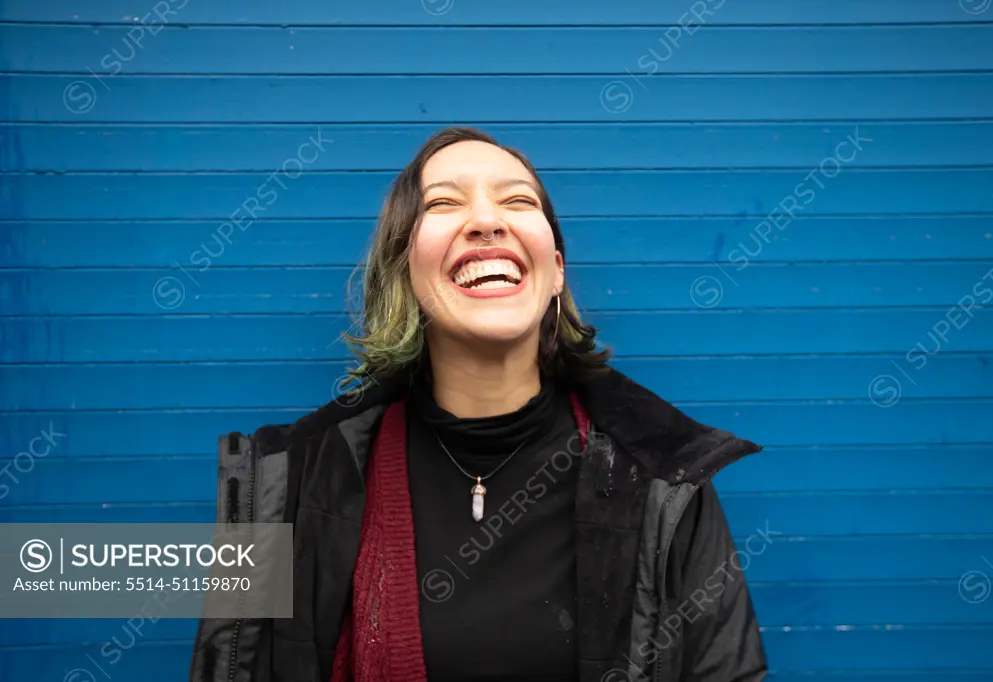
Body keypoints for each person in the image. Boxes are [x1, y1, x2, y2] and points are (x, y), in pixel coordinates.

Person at [190, 127, 768, 682]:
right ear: (404, 270)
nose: (487, 221)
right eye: (444, 204)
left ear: (556, 272)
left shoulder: (667, 472)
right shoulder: (289, 482)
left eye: (517, 201)